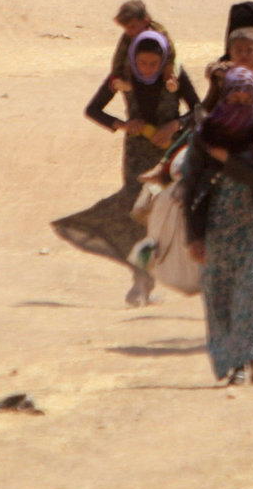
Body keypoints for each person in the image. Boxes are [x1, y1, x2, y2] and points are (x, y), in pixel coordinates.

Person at [61, 30, 197, 305]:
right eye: (142, 63)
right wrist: (123, 125)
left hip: (171, 153)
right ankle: (141, 282)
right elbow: (93, 109)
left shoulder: (175, 76)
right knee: (138, 215)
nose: (147, 68)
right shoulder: (122, 79)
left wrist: (176, 124)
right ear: (133, 60)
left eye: (153, 63)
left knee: (171, 215)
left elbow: (201, 110)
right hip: (137, 155)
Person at [183, 67, 253, 385]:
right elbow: (191, 186)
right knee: (219, 298)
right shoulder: (205, 134)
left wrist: (228, 160)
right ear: (225, 95)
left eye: (247, 98)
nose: (241, 103)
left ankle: (249, 359)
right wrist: (194, 235)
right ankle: (229, 363)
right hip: (217, 228)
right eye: (235, 97)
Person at [109, 0, 179, 93]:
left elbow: (171, 52)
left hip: (158, 66)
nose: (128, 31)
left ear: (145, 22)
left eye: (132, 27)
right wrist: (115, 76)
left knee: (176, 69)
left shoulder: (158, 32)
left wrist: (168, 73)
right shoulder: (128, 36)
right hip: (138, 69)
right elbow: (119, 56)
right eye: (126, 28)